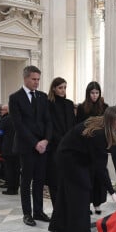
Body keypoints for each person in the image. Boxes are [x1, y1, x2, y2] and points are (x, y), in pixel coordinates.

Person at [49, 106, 116, 232]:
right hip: (69, 157)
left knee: (68, 192)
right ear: (110, 120)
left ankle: (60, 226)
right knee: (82, 192)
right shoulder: (100, 134)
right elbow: (101, 168)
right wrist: (113, 193)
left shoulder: (101, 124)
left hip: (74, 154)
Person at [9, 65, 52, 226]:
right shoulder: (15, 98)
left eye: (38, 79)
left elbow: (48, 120)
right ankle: (27, 213)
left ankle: (39, 211)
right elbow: (19, 125)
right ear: (26, 78)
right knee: (26, 181)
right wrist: (35, 143)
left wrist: (46, 140)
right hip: (27, 147)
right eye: (34, 79)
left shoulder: (42, 96)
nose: (36, 82)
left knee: (40, 180)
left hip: (43, 146)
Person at [76, 81, 109, 214]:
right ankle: (87, 203)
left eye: (97, 93)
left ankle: (97, 203)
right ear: (88, 93)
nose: (94, 95)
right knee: (87, 176)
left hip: (100, 146)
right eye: (92, 93)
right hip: (86, 146)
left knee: (99, 176)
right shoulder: (82, 107)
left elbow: (107, 126)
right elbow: (78, 126)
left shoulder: (105, 107)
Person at [46, 77, 76, 207]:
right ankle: (57, 209)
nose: (63, 90)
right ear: (54, 88)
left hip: (69, 148)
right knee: (55, 180)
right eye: (60, 87)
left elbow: (73, 125)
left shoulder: (69, 104)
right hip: (54, 146)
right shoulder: (49, 104)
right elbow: (49, 125)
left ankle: (66, 208)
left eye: (64, 87)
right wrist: (61, 140)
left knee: (67, 179)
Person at [0, 104, 20, 195]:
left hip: (7, 148)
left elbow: (0, 134)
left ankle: (11, 189)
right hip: (18, 148)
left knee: (9, 169)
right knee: (17, 169)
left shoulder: (5, 120)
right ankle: (16, 187)